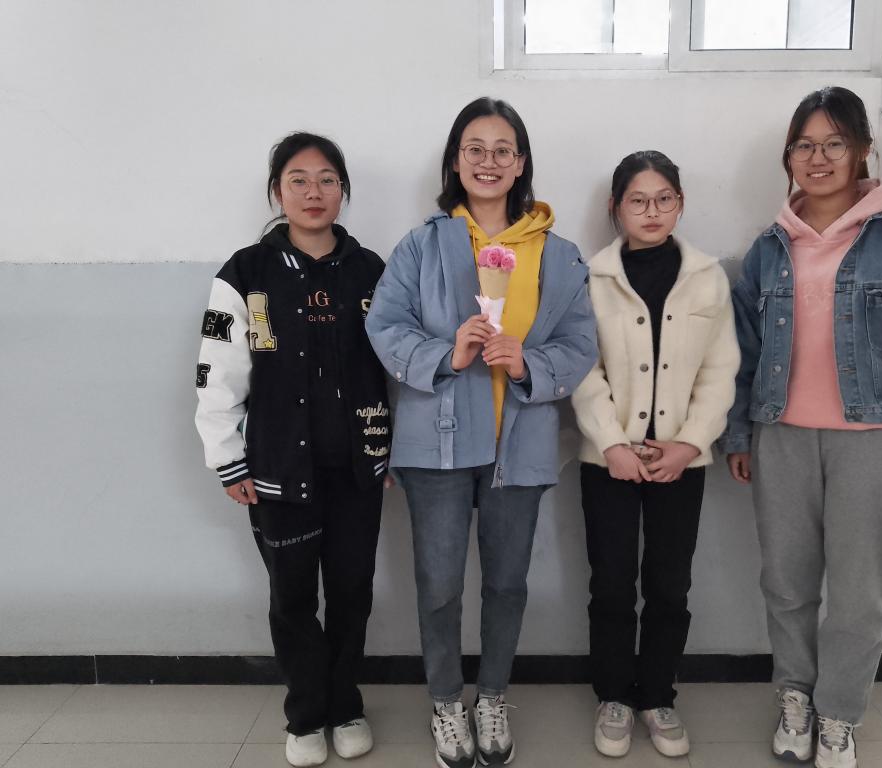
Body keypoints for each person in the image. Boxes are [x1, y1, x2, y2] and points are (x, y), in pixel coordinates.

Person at [722, 87, 882, 768]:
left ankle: (838, 716)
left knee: (859, 595)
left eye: (834, 143)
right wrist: (739, 434)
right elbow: (743, 352)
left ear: (862, 150)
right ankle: (795, 699)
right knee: (787, 585)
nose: (818, 157)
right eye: (804, 145)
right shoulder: (769, 247)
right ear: (788, 156)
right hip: (782, 438)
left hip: (873, 441)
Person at [365, 97, 597, 768]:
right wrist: (448, 353)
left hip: (518, 445)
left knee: (507, 583)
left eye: (502, 150)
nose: (488, 161)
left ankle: (492, 695)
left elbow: (580, 342)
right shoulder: (421, 245)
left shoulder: (558, 255)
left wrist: (528, 364)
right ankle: (446, 700)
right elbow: (385, 326)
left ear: (521, 163)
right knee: (438, 585)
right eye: (475, 149)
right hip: (434, 444)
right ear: (455, 161)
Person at [194, 133, 391, 767]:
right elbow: (217, 372)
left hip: (358, 471)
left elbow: (395, 368)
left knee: (353, 592)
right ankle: (306, 714)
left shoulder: (371, 271)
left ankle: (346, 705)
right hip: (277, 470)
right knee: (293, 598)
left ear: (343, 191)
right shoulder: (244, 274)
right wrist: (228, 458)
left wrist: (389, 452)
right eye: (298, 180)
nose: (313, 192)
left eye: (327, 179)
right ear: (277, 191)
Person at [571, 150, 739, 758]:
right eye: (637, 200)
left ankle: (658, 696)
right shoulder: (590, 277)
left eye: (664, 199)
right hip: (608, 463)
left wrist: (690, 442)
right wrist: (611, 443)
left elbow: (720, 370)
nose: (652, 211)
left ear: (680, 204)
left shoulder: (707, 277)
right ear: (616, 208)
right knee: (612, 584)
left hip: (680, 462)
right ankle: (615, 696)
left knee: (670, 584)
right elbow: (580, 367)